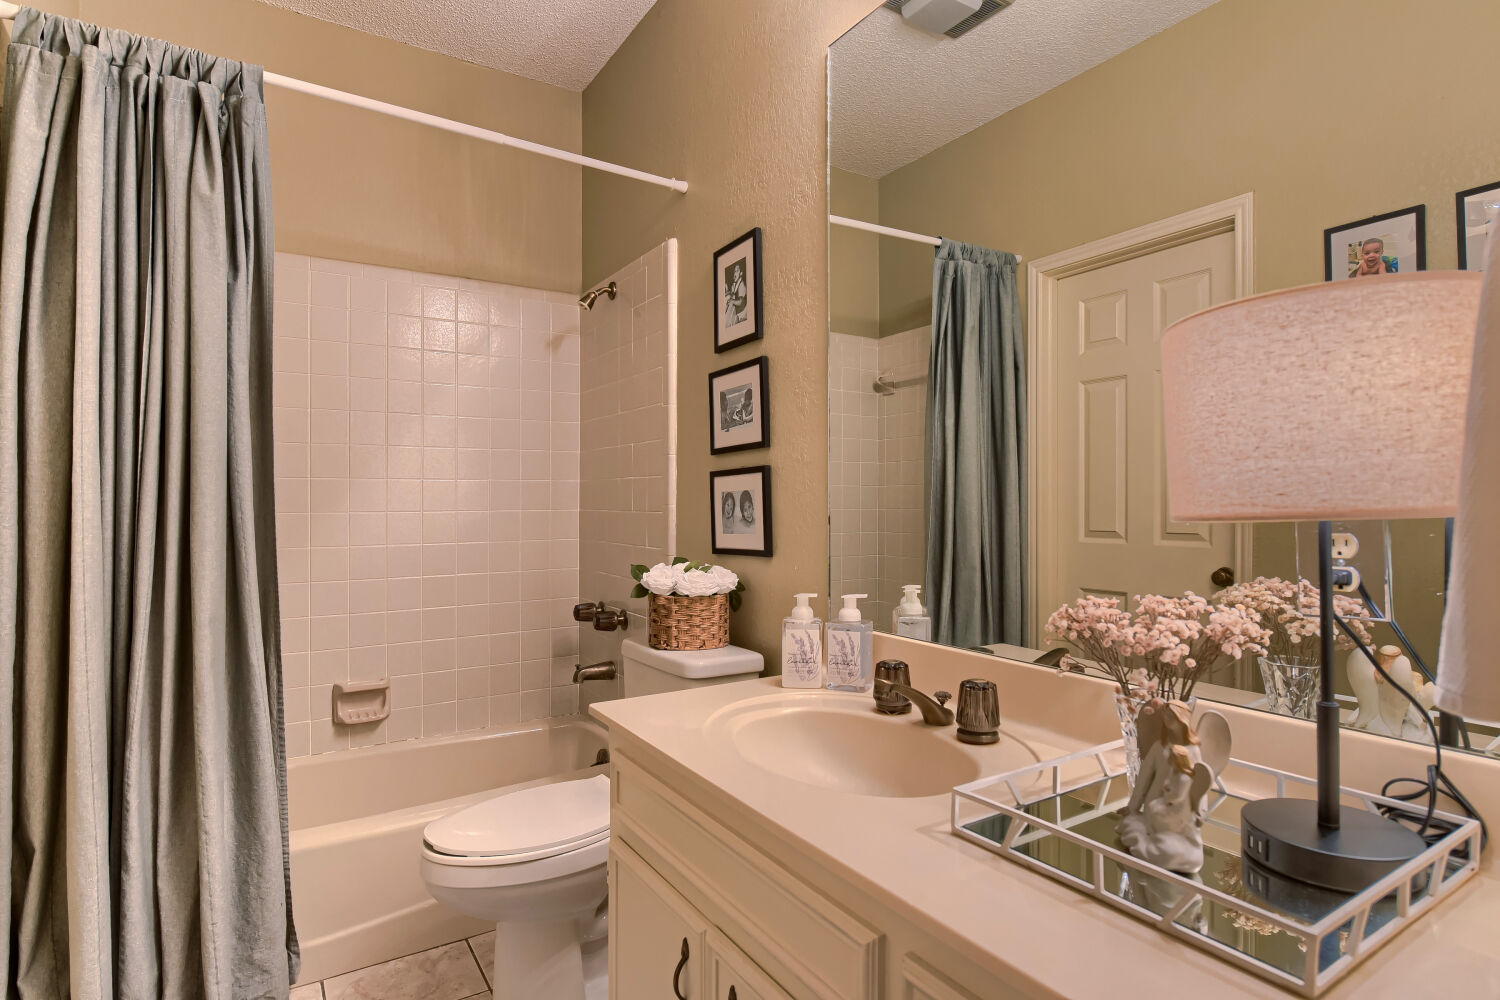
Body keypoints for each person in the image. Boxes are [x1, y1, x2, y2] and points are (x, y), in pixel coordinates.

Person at [724, 259, 748, 326]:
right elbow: (732, 293)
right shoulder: (734, 284)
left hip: (742, 312)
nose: (734, 273)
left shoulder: (741, 285)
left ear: (741, 273)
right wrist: (727, 290)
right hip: (736, 309)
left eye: (737, 271)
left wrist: (732, 301)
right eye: (734, 271)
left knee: (730, 317)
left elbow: (740, 302)